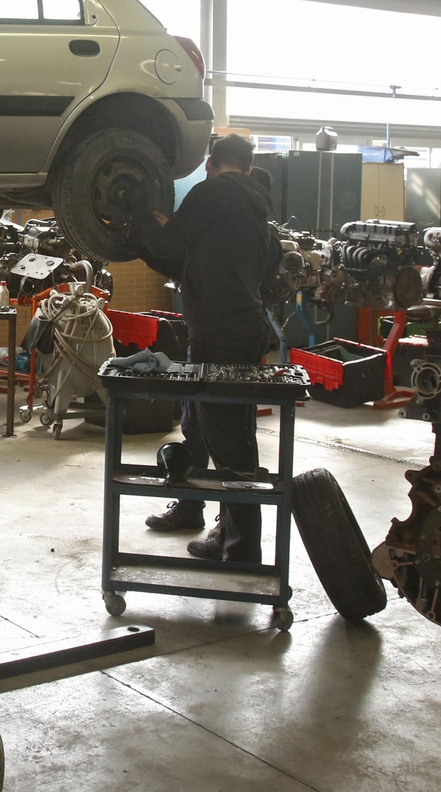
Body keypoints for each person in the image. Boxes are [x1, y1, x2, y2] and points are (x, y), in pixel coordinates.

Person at [129, 133, 279, 563]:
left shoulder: (210, 193)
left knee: (230, 442)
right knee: (199, 424)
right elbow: (180, 261)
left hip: (221, 337)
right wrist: (144, 241)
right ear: (248, 169)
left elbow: (166, 243)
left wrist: (139, 216)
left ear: (211, 163)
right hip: (236, 332)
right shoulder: (255, 213)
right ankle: (191, 507)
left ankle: (239, 545)